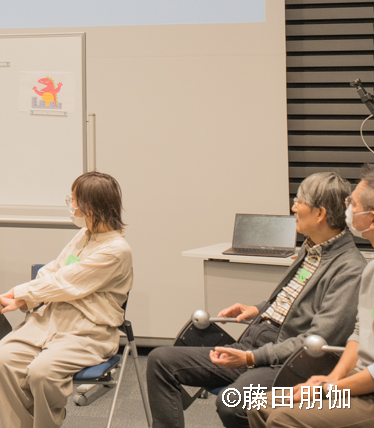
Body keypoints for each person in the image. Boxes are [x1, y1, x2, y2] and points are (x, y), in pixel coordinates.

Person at [147, 171, 366, 428]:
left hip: (286, 362)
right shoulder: (311, 249)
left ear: (319, 214)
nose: (294, 207)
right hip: (253, 344)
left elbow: (316, 340)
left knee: (232, 404)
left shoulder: (350, 270)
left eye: (299, 201)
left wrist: (252, 358)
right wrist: (259, 308)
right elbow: (294, 300)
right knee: (160, 360)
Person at [0, 171, 133, 428]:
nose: (71, 205)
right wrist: (23, 298)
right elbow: (53, 269)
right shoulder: (84, 235)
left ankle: (47, 422)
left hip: (87, 332)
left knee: (42, 372)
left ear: (91, 206)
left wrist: (21, 294)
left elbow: (66, 282)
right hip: (49, 321)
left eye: (74, 200)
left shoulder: (116, 250)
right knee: (2, 361)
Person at [248, 165, 374, 428]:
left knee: (282, 418)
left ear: (371, 219)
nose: (347, 210)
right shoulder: (371, 270)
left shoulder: (352, 267)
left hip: (368, 392)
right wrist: (334, 377)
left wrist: (328, 389)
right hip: (356, 379)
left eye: (353, 204)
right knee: (260, 406)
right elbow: (360, 332)